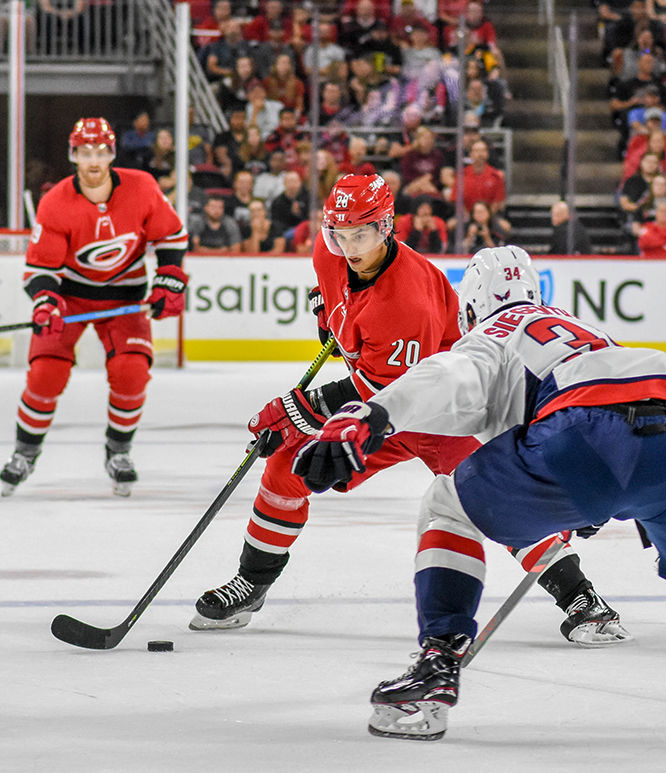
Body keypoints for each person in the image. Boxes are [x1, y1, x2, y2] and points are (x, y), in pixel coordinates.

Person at [287, 246, 666, 741]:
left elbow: (450, 377)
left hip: (585, 436)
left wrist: (369, 418)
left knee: (449, 502)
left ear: (473, 307)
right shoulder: (586, 330)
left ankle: (438, 661)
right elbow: (632, 395)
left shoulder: (494, 332)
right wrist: (613, 490)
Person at [190, 174, 631, 648]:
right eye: (339, 234)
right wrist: (328, 313)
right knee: (285, 468)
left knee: (495, 494)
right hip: (384, 398)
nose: (349, 246)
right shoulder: (330, 252)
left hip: (442, 408)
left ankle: (582, 598)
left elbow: (384, 394)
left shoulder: (409, 300)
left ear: (386, 226)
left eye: (360, 234)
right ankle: (252, 583)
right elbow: (334, 294)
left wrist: (299, 409)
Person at [0, 118, 188, 497]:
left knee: (131, 372)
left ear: (113, 154)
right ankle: (24, 453)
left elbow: (172, 235)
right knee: (45, 376)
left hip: (125, 299)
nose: (94, 161)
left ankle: (118, 451)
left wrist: (167, 278)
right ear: (73, 155)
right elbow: (41, 269)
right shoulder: (55, 202)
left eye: (101, 152)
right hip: (70, 299)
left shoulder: (142, 187)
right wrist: (45, 303)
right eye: (85, 153)